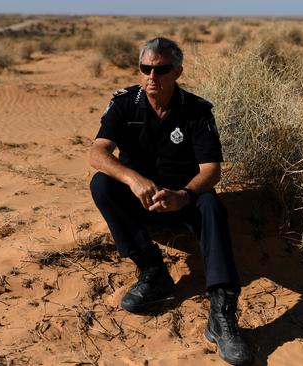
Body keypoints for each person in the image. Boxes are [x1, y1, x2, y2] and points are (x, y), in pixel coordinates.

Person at [89, 37, 253, 365]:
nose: (152, 76)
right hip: (141, 199)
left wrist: (184, 195)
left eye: (161, 69)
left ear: (177, 71)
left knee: (211, 205)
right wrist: (133, 179)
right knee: (102, 185)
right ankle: (152, 271)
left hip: (182, 201)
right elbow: (97, 152)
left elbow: (211, 170)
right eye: (145, 68)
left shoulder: (196, 111)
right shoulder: (123, 103)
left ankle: (222, 313)